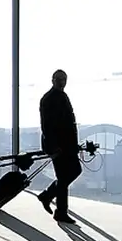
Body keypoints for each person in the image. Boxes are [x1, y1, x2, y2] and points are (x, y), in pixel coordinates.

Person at [37, 69, 82, 223]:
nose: (61, 82)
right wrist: (54, 146)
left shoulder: (62, 96)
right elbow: (46, 126)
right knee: (64, 177)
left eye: (63, 79)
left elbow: (69, 123)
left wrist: (74, 144)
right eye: (59, 79)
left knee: (75, 170)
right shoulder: (48, 99)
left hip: (67, 145)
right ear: (53, 80)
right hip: (58, 146)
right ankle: (60, 211)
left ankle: (48, 195)